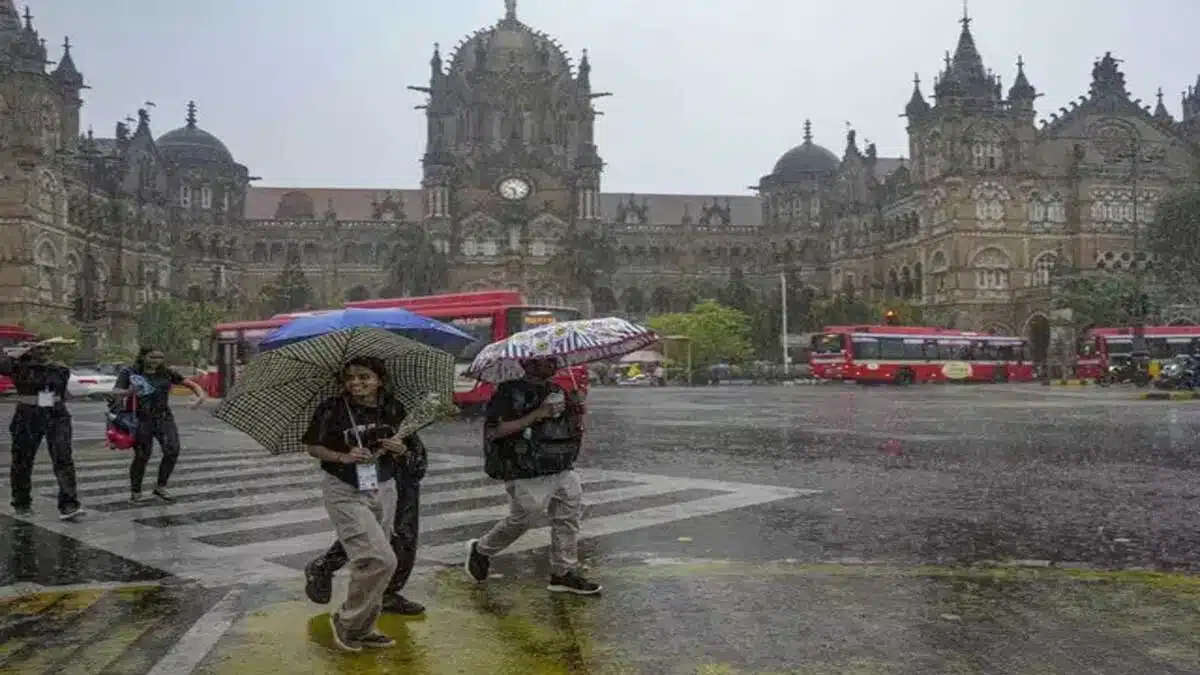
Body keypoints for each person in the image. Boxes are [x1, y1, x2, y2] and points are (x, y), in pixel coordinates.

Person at [465, 356, 601, 595]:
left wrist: (577, 408)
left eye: (552, 360)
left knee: (568, 516)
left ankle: (563, 572)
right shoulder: (508, 392)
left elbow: (570, 424)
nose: (549, 364)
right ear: (527, 364)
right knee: (524, 518)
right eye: (542, 361)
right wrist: (536, 414)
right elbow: (495, 431)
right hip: (524, 467)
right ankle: (482, 549)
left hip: (561, 463)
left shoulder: (559, 389)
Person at [303, 356, 410, 652]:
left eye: (364, 377)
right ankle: (348, 622)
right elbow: (312, 446)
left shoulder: (392, 407)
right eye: (350, 378)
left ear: (379, 380)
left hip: (384, 486)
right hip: (344, 488)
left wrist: (399, 448)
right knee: (380, 559)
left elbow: (406, 445)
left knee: (374, 561)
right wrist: (344, 457)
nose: (356, 383)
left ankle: (363, 628)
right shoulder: (332, 409)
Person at [303, 421, 428, 616]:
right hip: (366, 479)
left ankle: (386, 591)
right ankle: (326, 567)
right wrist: (350, 454)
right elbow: (321, 445)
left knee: (400, 534)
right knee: (370, 532)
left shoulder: (394, 408)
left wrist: (402, 451)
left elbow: (414, 455)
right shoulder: (341, 410)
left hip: (398, 476)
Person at [0, 339, 83, 520]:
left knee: (63, 457)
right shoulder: (19, 367)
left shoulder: (60, 369)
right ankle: (21, 502)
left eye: (48, 348)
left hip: (56, 414)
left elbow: (62, 392)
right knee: (22, 460)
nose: (44, 351)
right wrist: (17, 353)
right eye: (39, 348)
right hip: (28, 414)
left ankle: (69, 504)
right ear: (30, 350)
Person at [112, 347, 206, 502]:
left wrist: (200, 397)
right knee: (142, 455)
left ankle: (160, 486)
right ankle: (136, 491)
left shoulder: (167, 372)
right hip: (140, 418)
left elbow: (191, 384)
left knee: (172, 450)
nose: (157, 361)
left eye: (160, 357)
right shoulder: (129, 372)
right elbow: (116, 391)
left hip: (163, 417)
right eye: (152, 357)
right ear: (143, 357)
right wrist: (129, 391)